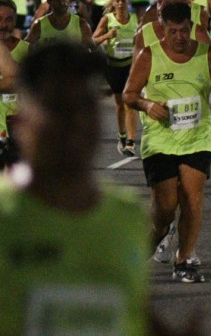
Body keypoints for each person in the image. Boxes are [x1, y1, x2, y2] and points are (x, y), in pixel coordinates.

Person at [0, 43, 150, 334]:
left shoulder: (127, 216)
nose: (77, 122)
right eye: (59, 109)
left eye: (86, 105)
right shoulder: (5, 217)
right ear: (22, 122)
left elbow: (126, 310)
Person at [123, 1, 211, 284]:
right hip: (160, 140)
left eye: (184, 31)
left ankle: (183, 260)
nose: (179, 37)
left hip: (197, 137)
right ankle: (146, 248)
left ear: (192, 28)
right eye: (172, 31)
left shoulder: (206, 53)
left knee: (191, 201)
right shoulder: (150, 55)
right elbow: (129, 94)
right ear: (163, 29)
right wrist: (147, 105)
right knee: (164, 208)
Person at [92, 0, 139, 156]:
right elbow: (93, 41)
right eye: (117, 1)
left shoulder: (135, 19)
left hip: (130, 66)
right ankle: (122, 136)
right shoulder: (107, 19)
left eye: (123, 1)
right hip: (113, 67)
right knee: (120, 103)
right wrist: (107, 36)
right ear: (113, 3)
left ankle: (131, 143)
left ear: (128, 2)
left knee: (130, 102)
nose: (120, 4)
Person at [25, 0, 95, 51]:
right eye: (56, 0)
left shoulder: (81, 24)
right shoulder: (39, 25)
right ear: (49, 2)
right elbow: (26, 47)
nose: (61, 3)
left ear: (69, 0)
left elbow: (92, 50)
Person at [0, 0, 26, 169]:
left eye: (8, 19)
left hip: (20, 132)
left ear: (15, 21)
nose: (3, 25)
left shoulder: (29, 51)